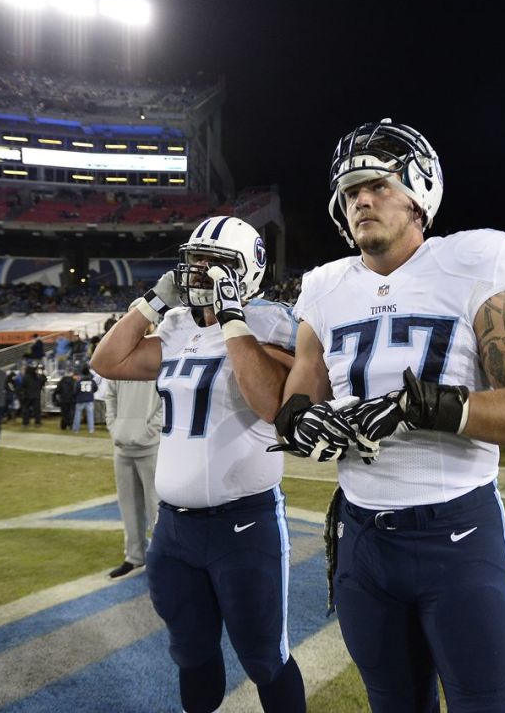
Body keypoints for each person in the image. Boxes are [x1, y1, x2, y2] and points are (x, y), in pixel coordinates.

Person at [276, 118, 505, 711]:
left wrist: (426, 408)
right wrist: (304, 425)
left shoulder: (471, 261)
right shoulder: (325, 287)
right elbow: (297, 401)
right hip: (360, 537)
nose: (361, 198)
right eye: (351, 191)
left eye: (377, 185)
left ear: (419, 194)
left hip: (457, 535)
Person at [90, 215, 305, 713]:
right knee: (191, 652)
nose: (201, 273)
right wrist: (152, 302)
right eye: (195, 262)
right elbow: (108, 361)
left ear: (248, 272)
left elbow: (272, 405)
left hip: (245, 526)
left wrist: (234, 320)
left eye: (215, 264)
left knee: (264, 657)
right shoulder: (176, 325)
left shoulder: (271, 319)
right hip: (175, 531)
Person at [103, 337, 164, 580]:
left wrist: (149, 431)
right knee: (128, 505)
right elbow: (109, 398)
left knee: (155, 505)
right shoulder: (118, 363)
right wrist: (114, 428)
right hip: (122, 447)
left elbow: (167, 401)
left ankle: (161, 558)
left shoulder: (160, 361)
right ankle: (134, 556)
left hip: (150, 447)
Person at [71, 366, 98, 433]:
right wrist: (90, 393)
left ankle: (76, 429)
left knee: (77, 415)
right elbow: (96, 388)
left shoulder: (79, 381)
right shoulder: (92, 380)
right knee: (90, 415)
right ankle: (91, 430)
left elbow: (75, 390)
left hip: (80, 399)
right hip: (89, 400)